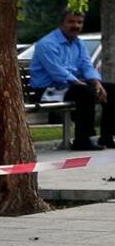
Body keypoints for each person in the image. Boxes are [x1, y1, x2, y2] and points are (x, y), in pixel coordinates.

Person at [30, 9, 115, 151]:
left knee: (111, 89)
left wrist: (96, 83)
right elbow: (58, 72)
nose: (76, 25)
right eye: (71, 21)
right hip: (48, 89)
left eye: (79, 22)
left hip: (70, 86)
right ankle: (82, 140)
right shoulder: (46, 44)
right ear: (61, 23)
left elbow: (86, 65)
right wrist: (84, 85)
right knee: (85, 92)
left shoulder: (78, 44)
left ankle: (107, 136)